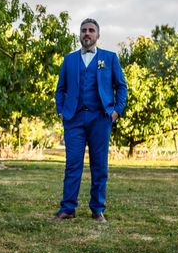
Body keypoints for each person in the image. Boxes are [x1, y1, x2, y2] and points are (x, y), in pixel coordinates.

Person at [51, 18, 127, 222]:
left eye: (91, 30)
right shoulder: (69, 60)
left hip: (100, 118)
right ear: (79, 34)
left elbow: (121, 86)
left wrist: (116, 111)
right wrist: (61, 110)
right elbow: (61, 89)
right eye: (84, 30)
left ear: (98, 35)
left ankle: (97, 209)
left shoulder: (109, 58)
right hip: (74, 119)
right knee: (72, 164)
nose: (87, 33)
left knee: (99, 165)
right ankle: (67, 209)